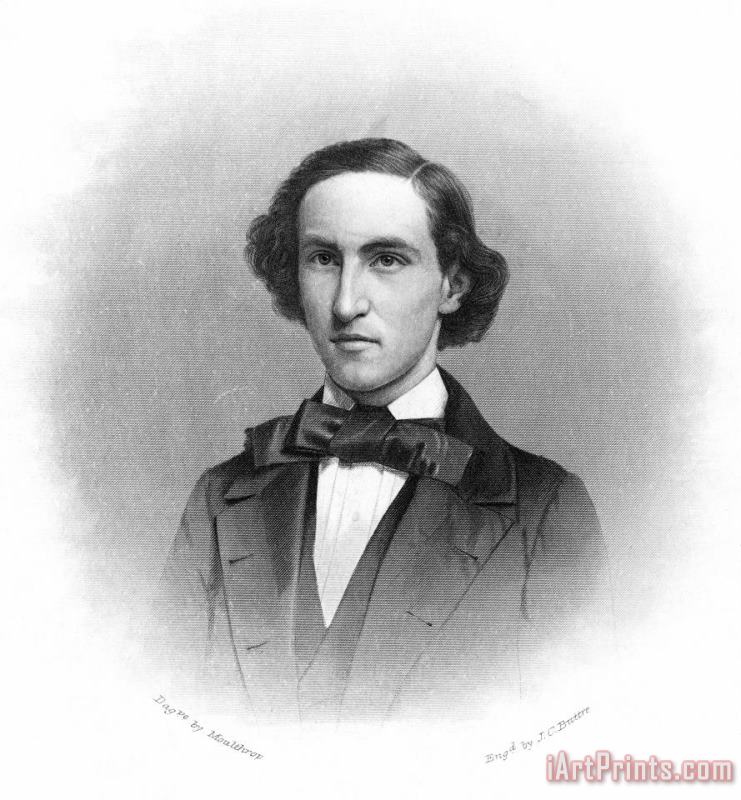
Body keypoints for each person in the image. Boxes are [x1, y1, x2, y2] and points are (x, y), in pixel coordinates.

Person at [156, 138, 610, 727]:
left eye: (386, 260)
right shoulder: (220, 497)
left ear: (452, 285)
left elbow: (568, 728)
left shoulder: (544, 509)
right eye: (323, 259)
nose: (346, 304)